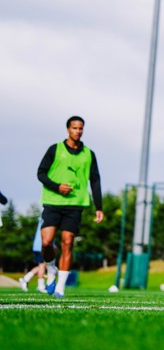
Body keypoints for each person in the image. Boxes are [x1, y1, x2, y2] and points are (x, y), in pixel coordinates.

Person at [37, 116, 104, 298]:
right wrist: (57, 187)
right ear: (68, 129)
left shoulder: (89, 154)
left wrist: (99, 206)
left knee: (68, 242)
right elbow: (41, 173)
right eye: (74, 128)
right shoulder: (55, 149)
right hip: (53, 201)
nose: (78, 131)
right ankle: (51, 269)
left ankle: (60, 288)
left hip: (75, 204)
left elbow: (95, 179)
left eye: (81, 128)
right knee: (46, 242)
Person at [19, 217, 49, 293]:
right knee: (42, 265)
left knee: (41, 266)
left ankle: (25, 279)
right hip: (41, 246)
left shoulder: (45, 218)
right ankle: (40, 286)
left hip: (38, 246)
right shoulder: (46, 218)